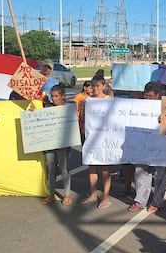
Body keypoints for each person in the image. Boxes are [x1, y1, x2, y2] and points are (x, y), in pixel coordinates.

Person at [129, 81, 166, 213]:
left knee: (160, 175)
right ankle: (140, 201)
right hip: (143, 144)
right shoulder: (139, 106)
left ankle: (157, 202)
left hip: (162, 146)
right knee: (141, 172)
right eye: (145, 95)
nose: (147, 98)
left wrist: (165, 119)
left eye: (150, 96)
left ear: (158, 95)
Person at [81, 75, 114, 209]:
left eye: (97, 86)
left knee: (105, 168)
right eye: (93, 86)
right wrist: (83, 109)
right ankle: (93, 194)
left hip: (105, 138)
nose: (95, 89)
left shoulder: (109, 100)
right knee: (92, 166)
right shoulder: (88, 100)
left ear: (103, 86)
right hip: (91, 137)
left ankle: (106, 197)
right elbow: (84, 119)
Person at [41, 85, 73, 206]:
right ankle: (51, 194)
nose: (54, 98)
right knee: (51, 170)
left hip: (63, 146)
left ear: (62, 96)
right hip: (50, 145)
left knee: (64, 170)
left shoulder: (67, 110)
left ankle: (67, 195)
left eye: (56, 96)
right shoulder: (48, 109)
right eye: (52, 96)